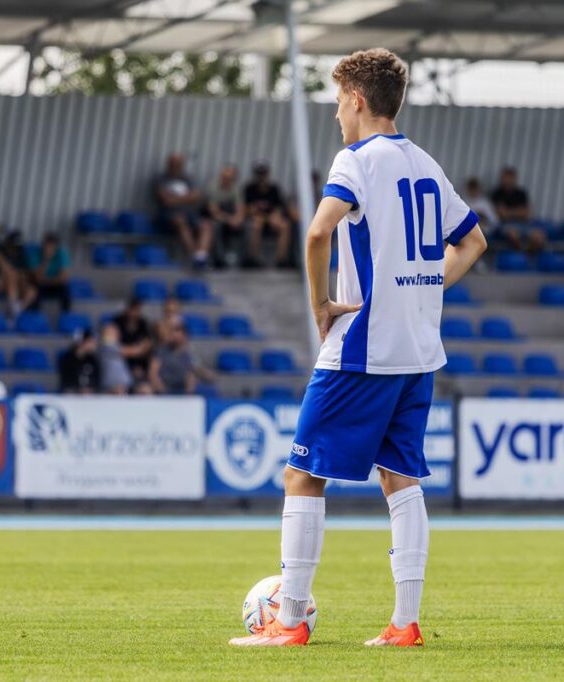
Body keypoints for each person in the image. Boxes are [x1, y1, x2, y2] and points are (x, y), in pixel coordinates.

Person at [230, 48, 487, 649]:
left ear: (357, 99)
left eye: (338, 103)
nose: (336, 116)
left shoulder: (357, 160)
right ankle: (404, 624)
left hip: (362, 350)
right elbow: (473, 241)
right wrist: (423, 287)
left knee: (301, 476)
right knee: (401, 478)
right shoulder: (426, 163)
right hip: (418, 352)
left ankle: (289, 620)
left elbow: (318, 230)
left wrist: (320, 304)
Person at [154, 153, 212, 269]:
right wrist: (187, 198)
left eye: (179, 164)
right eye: (174, 164)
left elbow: (196, 196)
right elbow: (167, 201)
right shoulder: (160, 179)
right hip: (167, 214)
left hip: (188, 213)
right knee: (180, 220)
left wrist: (175, 198)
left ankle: (200, 257)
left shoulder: (186, 179)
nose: (176, 167)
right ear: (169, 164)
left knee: (206, 225)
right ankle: (194, 256)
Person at [243, 163, 293, 268]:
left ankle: (281, 259)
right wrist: (259, 214)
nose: (261, 177)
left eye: (263, 174)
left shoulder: (274, 189)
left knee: (285, 226)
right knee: (256, 224)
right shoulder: (249, 189)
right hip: (256, 218)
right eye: (259, 174)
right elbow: (247, 208)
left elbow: (279, 207)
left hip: (271, 218)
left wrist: (274, 216)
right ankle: (253, 258)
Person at [148, 321, 213, 395]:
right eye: (172, 334)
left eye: (177, 334)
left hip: (181, 386)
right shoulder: (162, 351)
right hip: (164, 385)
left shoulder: (189, 354)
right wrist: (162, 391)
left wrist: (207, 374)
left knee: (191, 378)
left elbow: (196, 368)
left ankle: (187, 400)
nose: (173, 336)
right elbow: (153, 373)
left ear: (184, 336)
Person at [491, 166, 543, 252]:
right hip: (505, 225)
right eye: (505, 178)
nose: (507, 181)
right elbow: (501, 214)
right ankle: (521, 254)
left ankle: (531, 255)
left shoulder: (521, 193)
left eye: (509, 178)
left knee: (538, 236)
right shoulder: (497, 193)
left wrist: (508, 212)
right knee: (513, 234)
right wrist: (518, 211)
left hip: (523, 224)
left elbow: (526, 213)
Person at [204, 164, 246, 267]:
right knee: (216, 227)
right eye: (224, 177)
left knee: (246, 226)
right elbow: (213, 210)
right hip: (212, 216)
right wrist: (230, 220)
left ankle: (245, 258)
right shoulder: (212, 187)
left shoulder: (236, 188)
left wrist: (238, 218)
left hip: (229, 216)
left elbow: (240, 207)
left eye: (230, 178)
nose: (226, 180)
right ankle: (218, 258)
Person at [113, 297, 155, 382]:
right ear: (127, 309)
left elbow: (147, 343)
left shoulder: (142, 323)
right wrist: (135, 350)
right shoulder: (117, 322)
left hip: (139, 359)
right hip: (122, 359)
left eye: (137, 310)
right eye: (132, 309)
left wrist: (138, 350)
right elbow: (115, 346)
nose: (134, 313)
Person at [27, 233, 71, 312]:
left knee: (66, 290)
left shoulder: (62, 253)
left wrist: (47, 280)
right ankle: (34, 315)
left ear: (56, 247)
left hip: (54, 284)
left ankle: (66, 315)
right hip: (41, 285)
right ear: (43, 245)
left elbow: (64, 277)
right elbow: (38, 278)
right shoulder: (35, 254)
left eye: (52, 247)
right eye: (47, 246)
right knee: (35, 290)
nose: (49, 249)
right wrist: (46, 259)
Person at [58, 329, 100, 394]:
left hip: (89, 394)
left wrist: (91, 389)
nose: (94, 344)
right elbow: (66, 379)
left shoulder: (92, 359)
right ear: (82, 342)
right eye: (91, 341)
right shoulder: (68, 358)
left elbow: (97, 379)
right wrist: (78, 389)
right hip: (71, 393)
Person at [98, 322, 133, 395]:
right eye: (110, 332)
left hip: (123, 385)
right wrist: (143, 346)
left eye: (115, 332)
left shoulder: (116, 345)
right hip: (112, 385)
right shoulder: (106, 346)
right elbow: (130, 351)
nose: (116, 334)